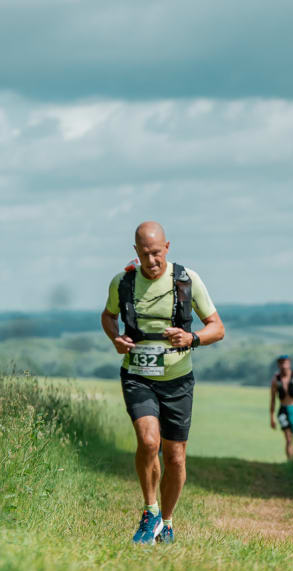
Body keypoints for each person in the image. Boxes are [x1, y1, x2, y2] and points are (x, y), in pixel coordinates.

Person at [102, 221, 225, 545]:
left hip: (178, 379)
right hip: (137, 375)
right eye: (145, 254)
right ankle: (150, 511)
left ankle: (166, 522)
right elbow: (108, 316)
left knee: (175, 457)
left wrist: (192, 338)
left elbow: (217, 328)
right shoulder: (123, 282)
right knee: (148, 442)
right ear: (136, 251)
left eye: (156, 253)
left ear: (167, 247)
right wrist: (116, 338)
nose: (152, 260)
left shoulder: (187, 280)